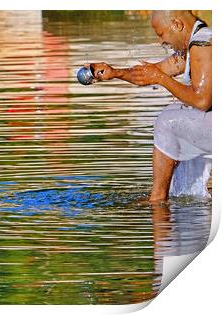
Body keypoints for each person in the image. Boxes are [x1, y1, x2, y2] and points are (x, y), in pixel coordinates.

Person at [87, 10, 212, 202]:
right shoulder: (194, 43)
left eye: (161, 34)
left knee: (167, 121)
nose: (161, 42)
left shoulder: (203, 45)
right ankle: (175, 195)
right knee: (174, 112)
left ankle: (158, 198)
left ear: (177, 25)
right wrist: (115, 73)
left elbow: (202, 101)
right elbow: (154, 72)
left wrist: (161, 79)